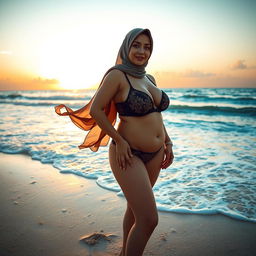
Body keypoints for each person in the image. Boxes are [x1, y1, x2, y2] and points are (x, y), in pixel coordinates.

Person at [55, 28, 174, 256]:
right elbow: (97, 109)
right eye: (136, 45)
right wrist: (118, 140)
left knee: (136, 208)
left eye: (147, 47)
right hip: (128, 153)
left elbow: (157, 116)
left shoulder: (150, 79)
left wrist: (167, 142)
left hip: (156, 153)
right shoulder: (117, 75)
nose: (142, 51)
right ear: (126, 46)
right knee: (149, 220)